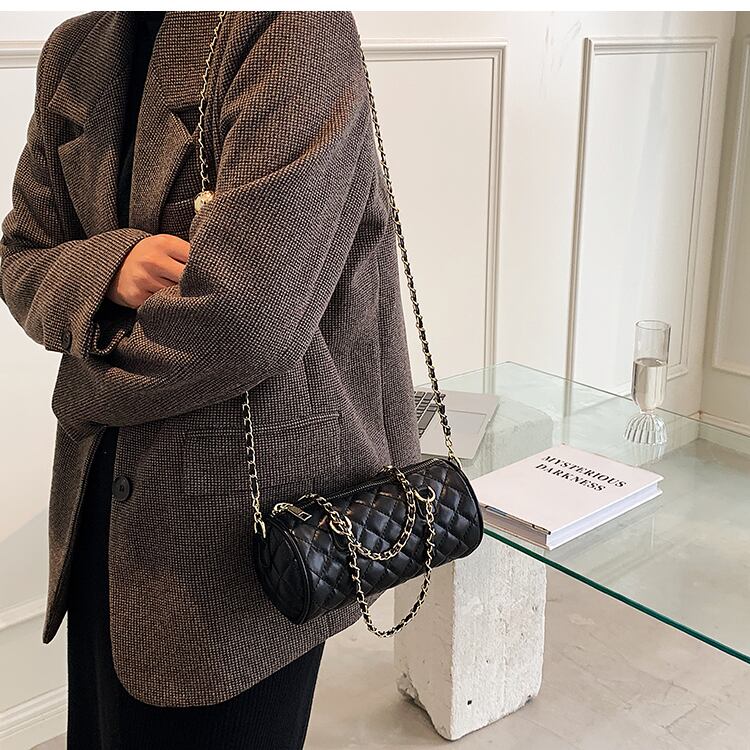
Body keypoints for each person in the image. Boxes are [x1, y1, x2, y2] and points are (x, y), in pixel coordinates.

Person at [0, 10, 423, 749]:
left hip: (250, 526)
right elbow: (20, 256)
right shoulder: (77, 50)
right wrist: (107, 267)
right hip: (99, 504)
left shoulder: (291, 28)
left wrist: (82, 391)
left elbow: (247, 316)